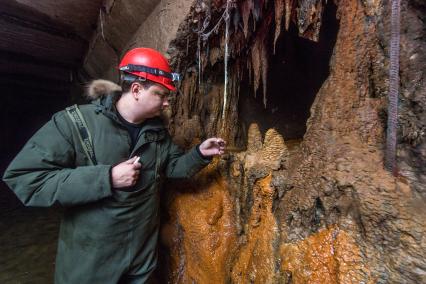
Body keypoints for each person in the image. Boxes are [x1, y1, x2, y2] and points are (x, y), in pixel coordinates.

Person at [2, 47, 225, 283]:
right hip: (91, 263)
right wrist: (106, 178)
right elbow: (25, 178)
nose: (167, 103)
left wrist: (200, 153)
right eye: (161, 94)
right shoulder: (76, 124)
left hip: (140, 262)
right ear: (137, 90)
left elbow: (173, 167)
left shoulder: (156, 132)